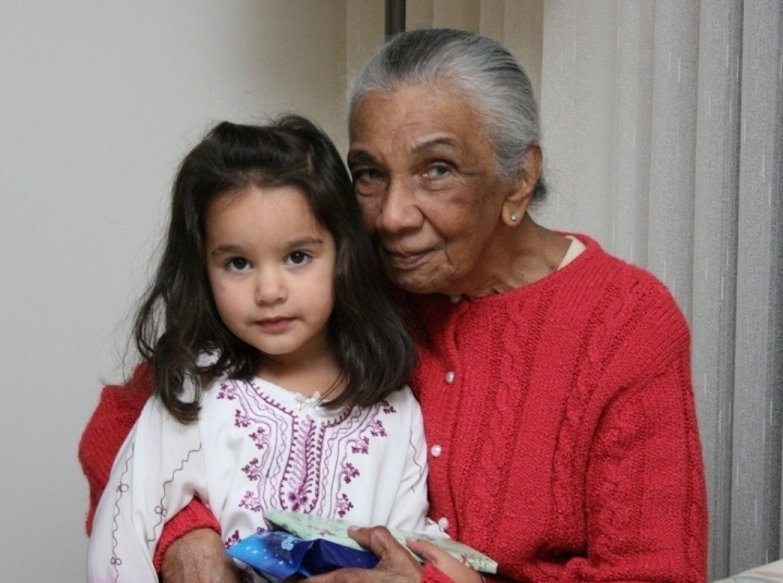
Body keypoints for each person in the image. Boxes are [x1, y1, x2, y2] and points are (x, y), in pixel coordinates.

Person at [80, 28, 708, 583]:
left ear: (519, 178)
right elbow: (135, 420)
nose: (392, 216)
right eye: (370, 174)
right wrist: (184, 530)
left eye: (436, 169)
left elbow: (655, 575)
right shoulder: (336, 279)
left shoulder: (626, 323)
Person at [84, 115, 435, 582]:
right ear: (203, 269)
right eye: (238, 263)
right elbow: (121, 541)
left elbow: (405, 560)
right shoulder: (194, 391)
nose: (269, 291)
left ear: (344, 254)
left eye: (297, 257)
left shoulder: (395, 410)